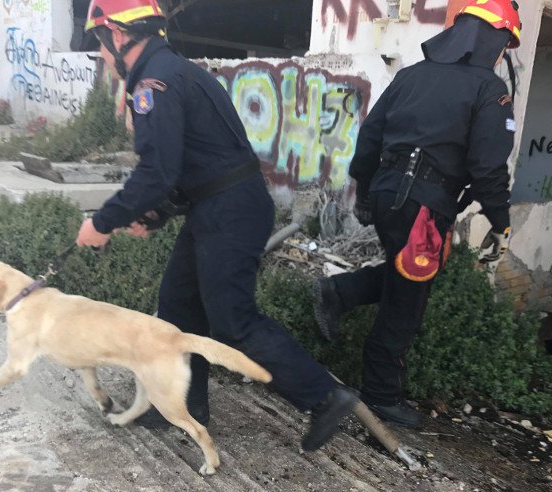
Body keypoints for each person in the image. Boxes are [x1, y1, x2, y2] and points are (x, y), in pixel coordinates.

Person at [75, 0, 358, 452]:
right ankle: (184, 407)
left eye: (100, 45)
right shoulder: (178, 72)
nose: (102, 57)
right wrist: (155, 213)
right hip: (220, 205)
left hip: (228, 212)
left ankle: (324, 396)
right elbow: (197, 161)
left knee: (232, 320)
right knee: (179, 306)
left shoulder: (154, 84)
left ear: (120, 35)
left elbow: (157, 172)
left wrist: (103, 222)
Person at [312, 0, 522, 428]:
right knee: (407, 301)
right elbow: (487, 169)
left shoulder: (410, 76)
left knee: (404, 272)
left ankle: (340, 293)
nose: (502, 55)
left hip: (390, 194)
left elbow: (369, 138)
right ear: (493, 39)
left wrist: (366, 191)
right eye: (504, 45)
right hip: (424, 205)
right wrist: (501, 221)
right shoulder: (489, 90)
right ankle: (380, 395)